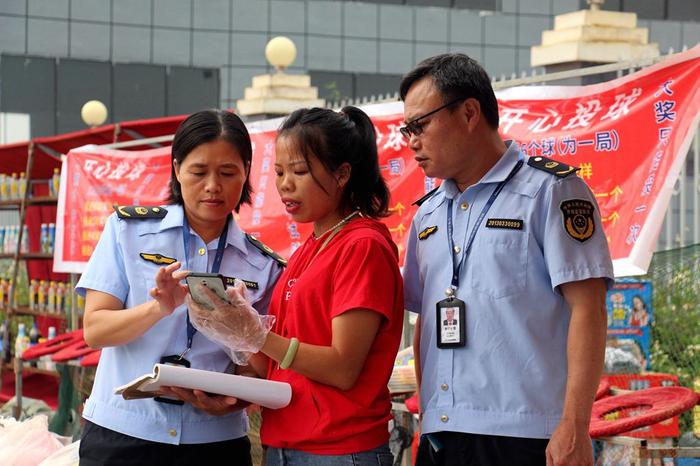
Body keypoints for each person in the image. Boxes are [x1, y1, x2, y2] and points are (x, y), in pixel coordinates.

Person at [400, 54, 614, 466]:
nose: (411, 141)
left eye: (419, 125)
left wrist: (574, 423)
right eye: (407, 129)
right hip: (442, 433)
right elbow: (425, 320)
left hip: (526, 435)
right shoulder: (426, 213)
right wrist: (428, 419)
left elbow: (589, 308)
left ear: (468, 113)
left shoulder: (551, 191)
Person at [187, 106, 403, 465]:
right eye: (279, 172)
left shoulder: (362, 246)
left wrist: (256, 336)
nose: (285, 184)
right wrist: (233, 329)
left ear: (342, 174)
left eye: (300, 171)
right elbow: (278, 364)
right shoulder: (309, 249)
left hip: (339, 449)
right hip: (287, 444)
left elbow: (342, 367)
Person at [76, 110, 284, 465]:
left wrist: (234, 398)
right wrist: (158, 308)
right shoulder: (127, 231)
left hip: (215, 442)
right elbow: (95, 330)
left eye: (228, 173)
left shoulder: (263, 264)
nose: (213, 186)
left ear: (247, 172)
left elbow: (260, 368)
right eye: (199, 172)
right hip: (123, 435)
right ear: (176, 169)